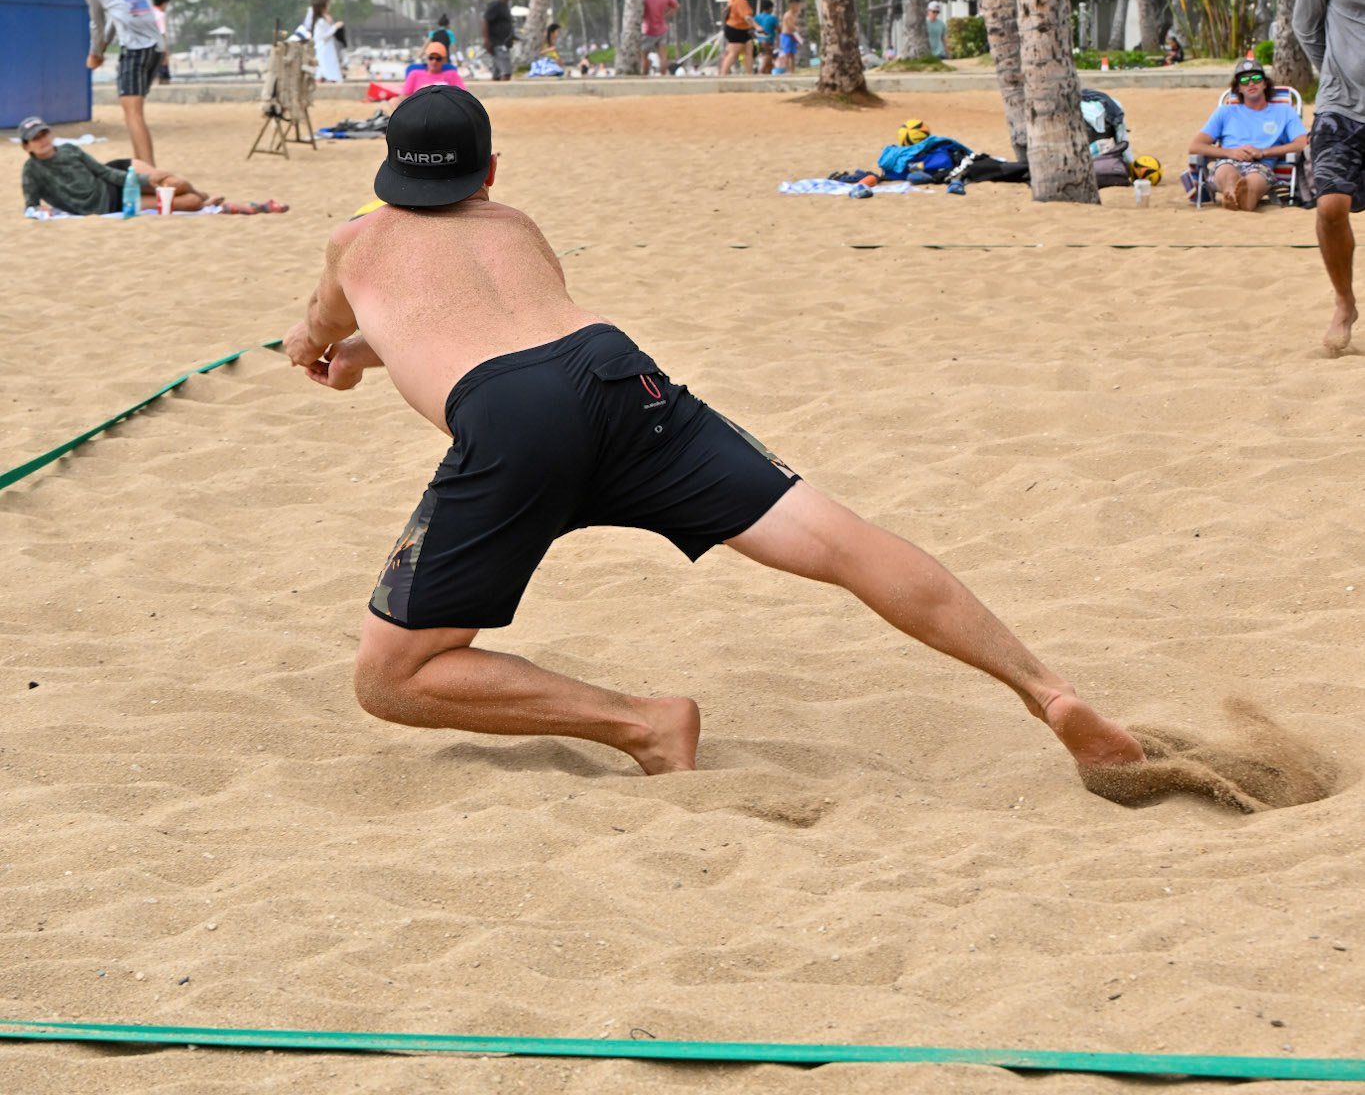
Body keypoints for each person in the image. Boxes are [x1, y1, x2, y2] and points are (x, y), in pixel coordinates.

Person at [281, 86, 1142, 779]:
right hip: (618, 376)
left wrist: (325, 348)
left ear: (389, 169)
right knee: (839, 540)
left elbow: (329, 330)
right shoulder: (513, 228)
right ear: (492, 170)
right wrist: (371, 351)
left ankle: (644, 725)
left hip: (512, 424)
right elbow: (483, 323)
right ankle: (1048, 691)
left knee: (392, 679)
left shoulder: (353, 241)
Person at [1294, 0, 1365, 352]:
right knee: (1331, 207)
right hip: (1341, 108)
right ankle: (1344, 302)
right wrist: (1337, 75)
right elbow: (1305, 23)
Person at [17, 116, 285, 215]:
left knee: (173, 183)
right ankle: (205, 201)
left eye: (44, 134)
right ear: (26, 147)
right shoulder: (32, 172)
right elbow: (30, 205)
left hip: (116, 175)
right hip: (109, 203)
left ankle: (206, 196)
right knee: (188, 203)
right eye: (35, 139)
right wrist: (42, 209)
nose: (42, 141)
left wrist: (142, 181)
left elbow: (102, 171)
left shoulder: (69, 149)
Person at [83, 0, 164, 165]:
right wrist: (102, 49)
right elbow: (116, 18)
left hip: (136, 49)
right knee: (135, 111)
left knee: (133, 114)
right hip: (155, 46)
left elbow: (97, 25)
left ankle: (149, 172)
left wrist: (94, 54)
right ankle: (142, 165)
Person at [1188, 63, 1308, 212]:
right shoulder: (1225, 112)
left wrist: (1263, 152)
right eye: (1244, 81)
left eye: (1256, 78)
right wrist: (1230, 152)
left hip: (1262, 164)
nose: (1251, 83)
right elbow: (1195, 146)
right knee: (1228, 172)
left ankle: (1243, 199)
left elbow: (1303, 143)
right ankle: (1232, 194)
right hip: (1228, 160)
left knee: (1254, 180)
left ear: (1265, 83)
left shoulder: (1284, 111)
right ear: (1238, 88)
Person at [295, 0, 344, 83]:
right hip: (324, 49)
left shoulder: (322, 18)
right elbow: (323, 36)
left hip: (324, 48)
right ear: (322, 7)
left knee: (323, 73)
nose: (329, 6)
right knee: (328, 71)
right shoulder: (320, 20)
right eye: (328, 4)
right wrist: (335, 27)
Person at [641, 0, 679, 75]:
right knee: (663, 56)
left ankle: (644, 76)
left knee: (644, 57)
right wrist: (666, 16)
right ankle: (663, 76)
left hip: (647, 30)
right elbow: (676, 6)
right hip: (662, 28)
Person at [402, 40, 467, 97]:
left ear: (443, 60)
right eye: (431, 58)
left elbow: (463, 95)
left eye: (438, 59)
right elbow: (404, 96)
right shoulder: (415, 74)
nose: (434, 61)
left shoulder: (452, 75)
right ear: (426, 58)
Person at [719, 0, 755, 77]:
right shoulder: (739, 0)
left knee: (749, 49)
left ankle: (749, 74)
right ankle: (723, 75)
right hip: (734, 29)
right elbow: (747, 17)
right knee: (734, 53)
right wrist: (756, 26)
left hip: (742, 29)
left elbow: (729, 6)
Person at [482, 0, 516, 82]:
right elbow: (485, 20)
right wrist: (486, 40)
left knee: (496, 75)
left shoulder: (504, 6)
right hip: (498, 44)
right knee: (507, 72)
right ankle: (506, 97)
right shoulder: (496, 4)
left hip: (503, 43)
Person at [776, 0, 802, 74]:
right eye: (798, 6)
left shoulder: (795, 15)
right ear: (793, 6)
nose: (799, 8)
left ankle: (792, 70)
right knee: (787, 54)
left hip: (793, 36)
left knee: (792, 54)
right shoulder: (787, 15)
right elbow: (790, 26)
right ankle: (788, 70)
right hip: (786, 36)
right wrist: (796, 28)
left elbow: (797, 24)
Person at [752, 0, 779, 75]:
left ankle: (768, 73)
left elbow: (752, 27)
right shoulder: (772, 18)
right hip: (768, 40)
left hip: (758, 41)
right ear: (770, 8)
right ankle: (761, 72)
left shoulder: (756, 17)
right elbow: (778, 29)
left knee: (768, 60)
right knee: (768, 56)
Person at [151, 0, 173, 83]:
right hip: (159, 49)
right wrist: (166, 54)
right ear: (164, 3)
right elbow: (162, 35)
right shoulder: (160, 15)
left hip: (148, 48)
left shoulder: (149, 13)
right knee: (164, 77)